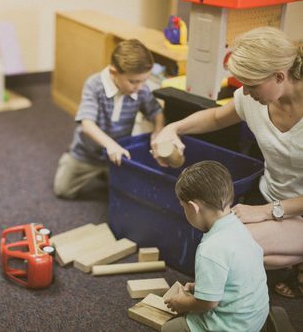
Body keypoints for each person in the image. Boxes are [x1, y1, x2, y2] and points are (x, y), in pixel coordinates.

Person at [153, 26, 303, 298]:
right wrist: (173, 128)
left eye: (251, 84)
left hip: (292, 209)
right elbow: (216, 117)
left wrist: (267, 212)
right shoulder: (255, 98)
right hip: (272, 197)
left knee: (232, 248)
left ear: (280, 76)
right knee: (218, 238)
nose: (245, 92)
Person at [162, 161, 269, 332]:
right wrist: (200, 287)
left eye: (183, 207)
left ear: (193, 207)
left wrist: (182, 303)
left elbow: (208, 303)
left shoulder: (210, 249)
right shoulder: (237, 226)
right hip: (255, 316)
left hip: (232, 327)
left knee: (170, 328)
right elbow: (234, 276)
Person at [54, 39, 164, 199]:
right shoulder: (94, 85)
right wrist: (111, 145)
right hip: (88, 154)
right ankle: (71, 158)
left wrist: (158, 131)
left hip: (118, 155)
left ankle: (106, 174)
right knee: (62, 190)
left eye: (144, 80)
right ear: (114, 72)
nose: (139, 87)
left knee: (134, 193)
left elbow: (156, 111)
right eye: (133, 81)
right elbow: (87, 124)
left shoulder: (141, 89)